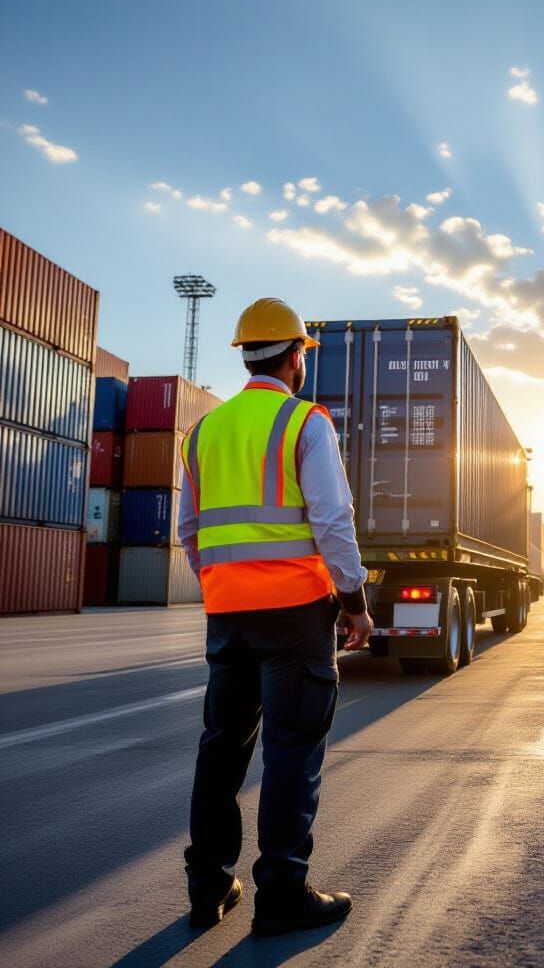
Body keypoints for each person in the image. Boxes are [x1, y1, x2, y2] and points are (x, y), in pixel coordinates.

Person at [179, 297, 373, 936]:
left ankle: (208, 887)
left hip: (227, 615)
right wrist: (354, 603)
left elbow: (189, 531)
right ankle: (282, 891)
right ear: (295, 357)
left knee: (222, 748)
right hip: (294, 616)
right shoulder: (304, 423)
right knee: (290, 749)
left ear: (244, 355)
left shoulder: (204, 431)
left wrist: (223, 588)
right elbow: (332, 521)